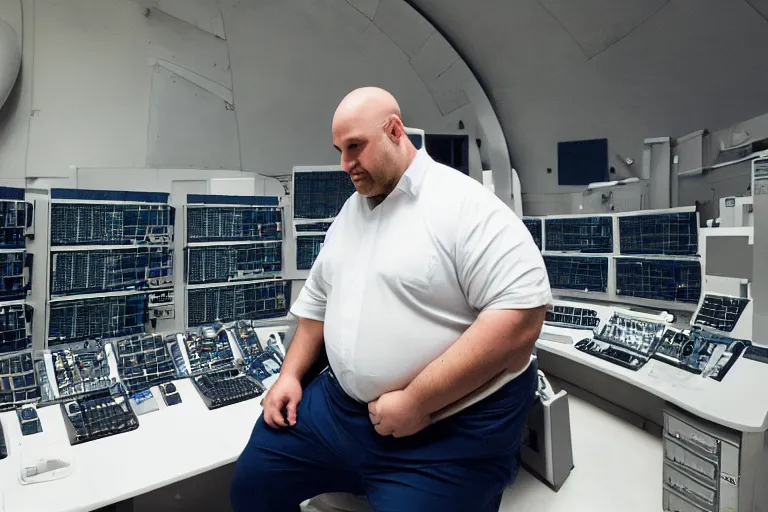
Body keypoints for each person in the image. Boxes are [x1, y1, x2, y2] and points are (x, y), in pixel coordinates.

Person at [230, 87, 551, 512]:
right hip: (340, 414)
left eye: (355, 147)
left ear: (395, 131)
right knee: (251, 487)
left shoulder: (465, 206)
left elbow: (522, 320)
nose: (345, 164)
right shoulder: (351, 213)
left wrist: (418, 401)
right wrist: (289, 375)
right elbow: (317, 304)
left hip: (446, 431)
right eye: (339, 150)